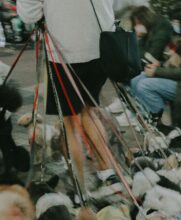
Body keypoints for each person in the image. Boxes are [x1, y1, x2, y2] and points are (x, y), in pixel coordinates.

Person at [17, 0, 120, 193]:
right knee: (90, 111)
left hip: (65, 52)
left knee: (70, 123)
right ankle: (107, 171)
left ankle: (80, 186)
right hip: (101, 45)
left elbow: (28, 14)